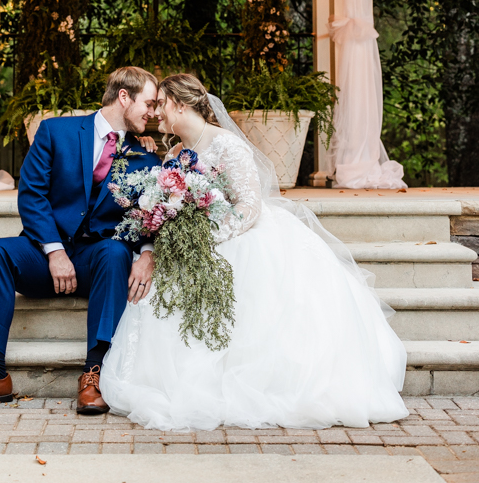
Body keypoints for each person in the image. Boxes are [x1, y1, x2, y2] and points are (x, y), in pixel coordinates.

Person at [100, 73, 409, 431]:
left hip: (238, 235)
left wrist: (207, 237)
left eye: (162, 104)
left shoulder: (227, 145)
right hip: (191, 240)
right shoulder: (172, 153)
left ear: (181, 104)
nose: (156, 114)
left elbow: (249, 206)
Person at [0, 66, 160, 414]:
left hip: (96, 265)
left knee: (115, 252)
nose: (154, 112)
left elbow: (145, 216)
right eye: (149, 102)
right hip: (44, 257)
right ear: (124, 96)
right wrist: (53, 251)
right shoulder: (56, 131)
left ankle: (94, 375)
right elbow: (32, 194)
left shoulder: (145, 156)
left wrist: (147, 253)